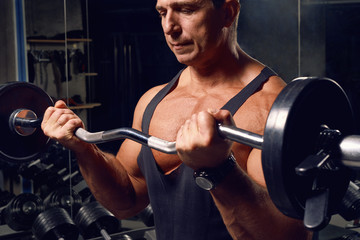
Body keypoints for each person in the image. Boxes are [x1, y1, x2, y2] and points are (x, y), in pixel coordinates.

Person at [42, 0, 312, 239]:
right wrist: (84, 149)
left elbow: (291, 236)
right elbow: (126, 200)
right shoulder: (153, 100)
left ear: (227, 12)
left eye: (186, 9)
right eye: (162, 12)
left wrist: (219, 170)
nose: (169, 27)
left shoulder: (271, 108)